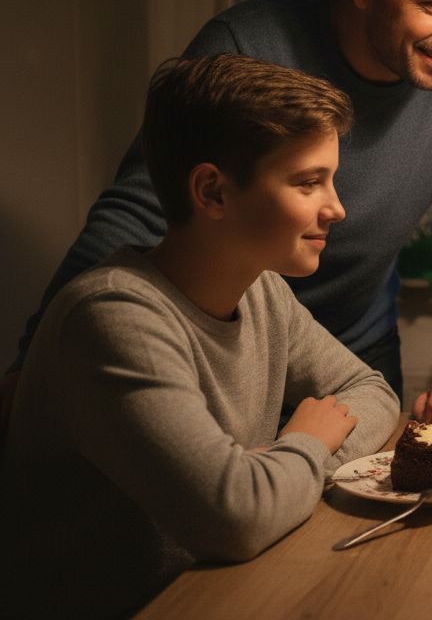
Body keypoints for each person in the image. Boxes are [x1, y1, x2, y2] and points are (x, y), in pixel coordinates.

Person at [7, 0, 432, 423]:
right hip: (228, 356)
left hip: (353, 363)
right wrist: (35, 362)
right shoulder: (246, 45)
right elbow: (138, 210)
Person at [0, 55, 401, 616]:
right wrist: (303, 448)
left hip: (226, 593)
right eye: (309, 182)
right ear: (212, 192)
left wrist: (271, 473)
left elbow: (373, 391)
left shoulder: (262, 292)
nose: (337, 208)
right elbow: (236, 520)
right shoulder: (112, 317)